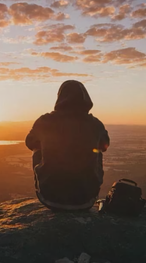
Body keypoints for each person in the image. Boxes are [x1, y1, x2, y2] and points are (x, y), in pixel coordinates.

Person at [25, 80, 110, 211]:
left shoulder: (45, 121)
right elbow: (105, 146)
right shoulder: (95, 124)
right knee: (97, 150)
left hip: (50, 198)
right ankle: (87, 184)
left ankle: (47, 182)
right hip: (86, 199)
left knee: (37, 148)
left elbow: (30, 143)